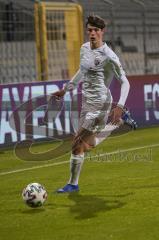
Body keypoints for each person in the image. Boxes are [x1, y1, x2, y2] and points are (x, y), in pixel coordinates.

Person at [51, 15, 135, 193]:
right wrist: (66, 90)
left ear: (102, 32)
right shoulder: (84, 49)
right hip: (87, 103)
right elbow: (81, 71)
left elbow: (126, 82)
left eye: (96, 30)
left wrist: (119, 106)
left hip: (102, 103)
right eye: (89, 30)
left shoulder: (109, 55)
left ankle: (73, 184)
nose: (92, 33)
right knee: (85, 145)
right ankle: (115, 124)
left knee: (77, 143)